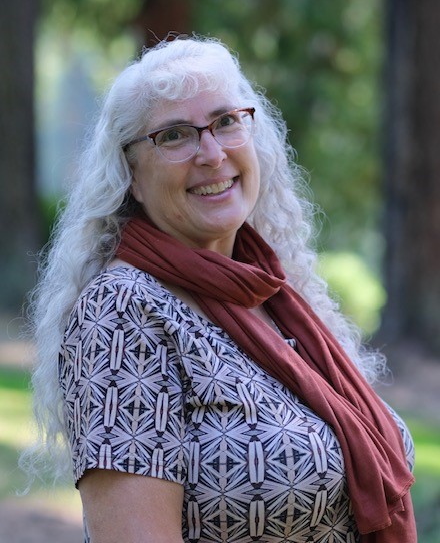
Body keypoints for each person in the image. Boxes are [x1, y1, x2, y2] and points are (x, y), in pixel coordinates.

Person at [26, 35, 416, 542]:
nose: (212, 154)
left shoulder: (268, 293)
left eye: (227, 122)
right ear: (131, 176)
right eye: (174, 135)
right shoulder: (122, 313)